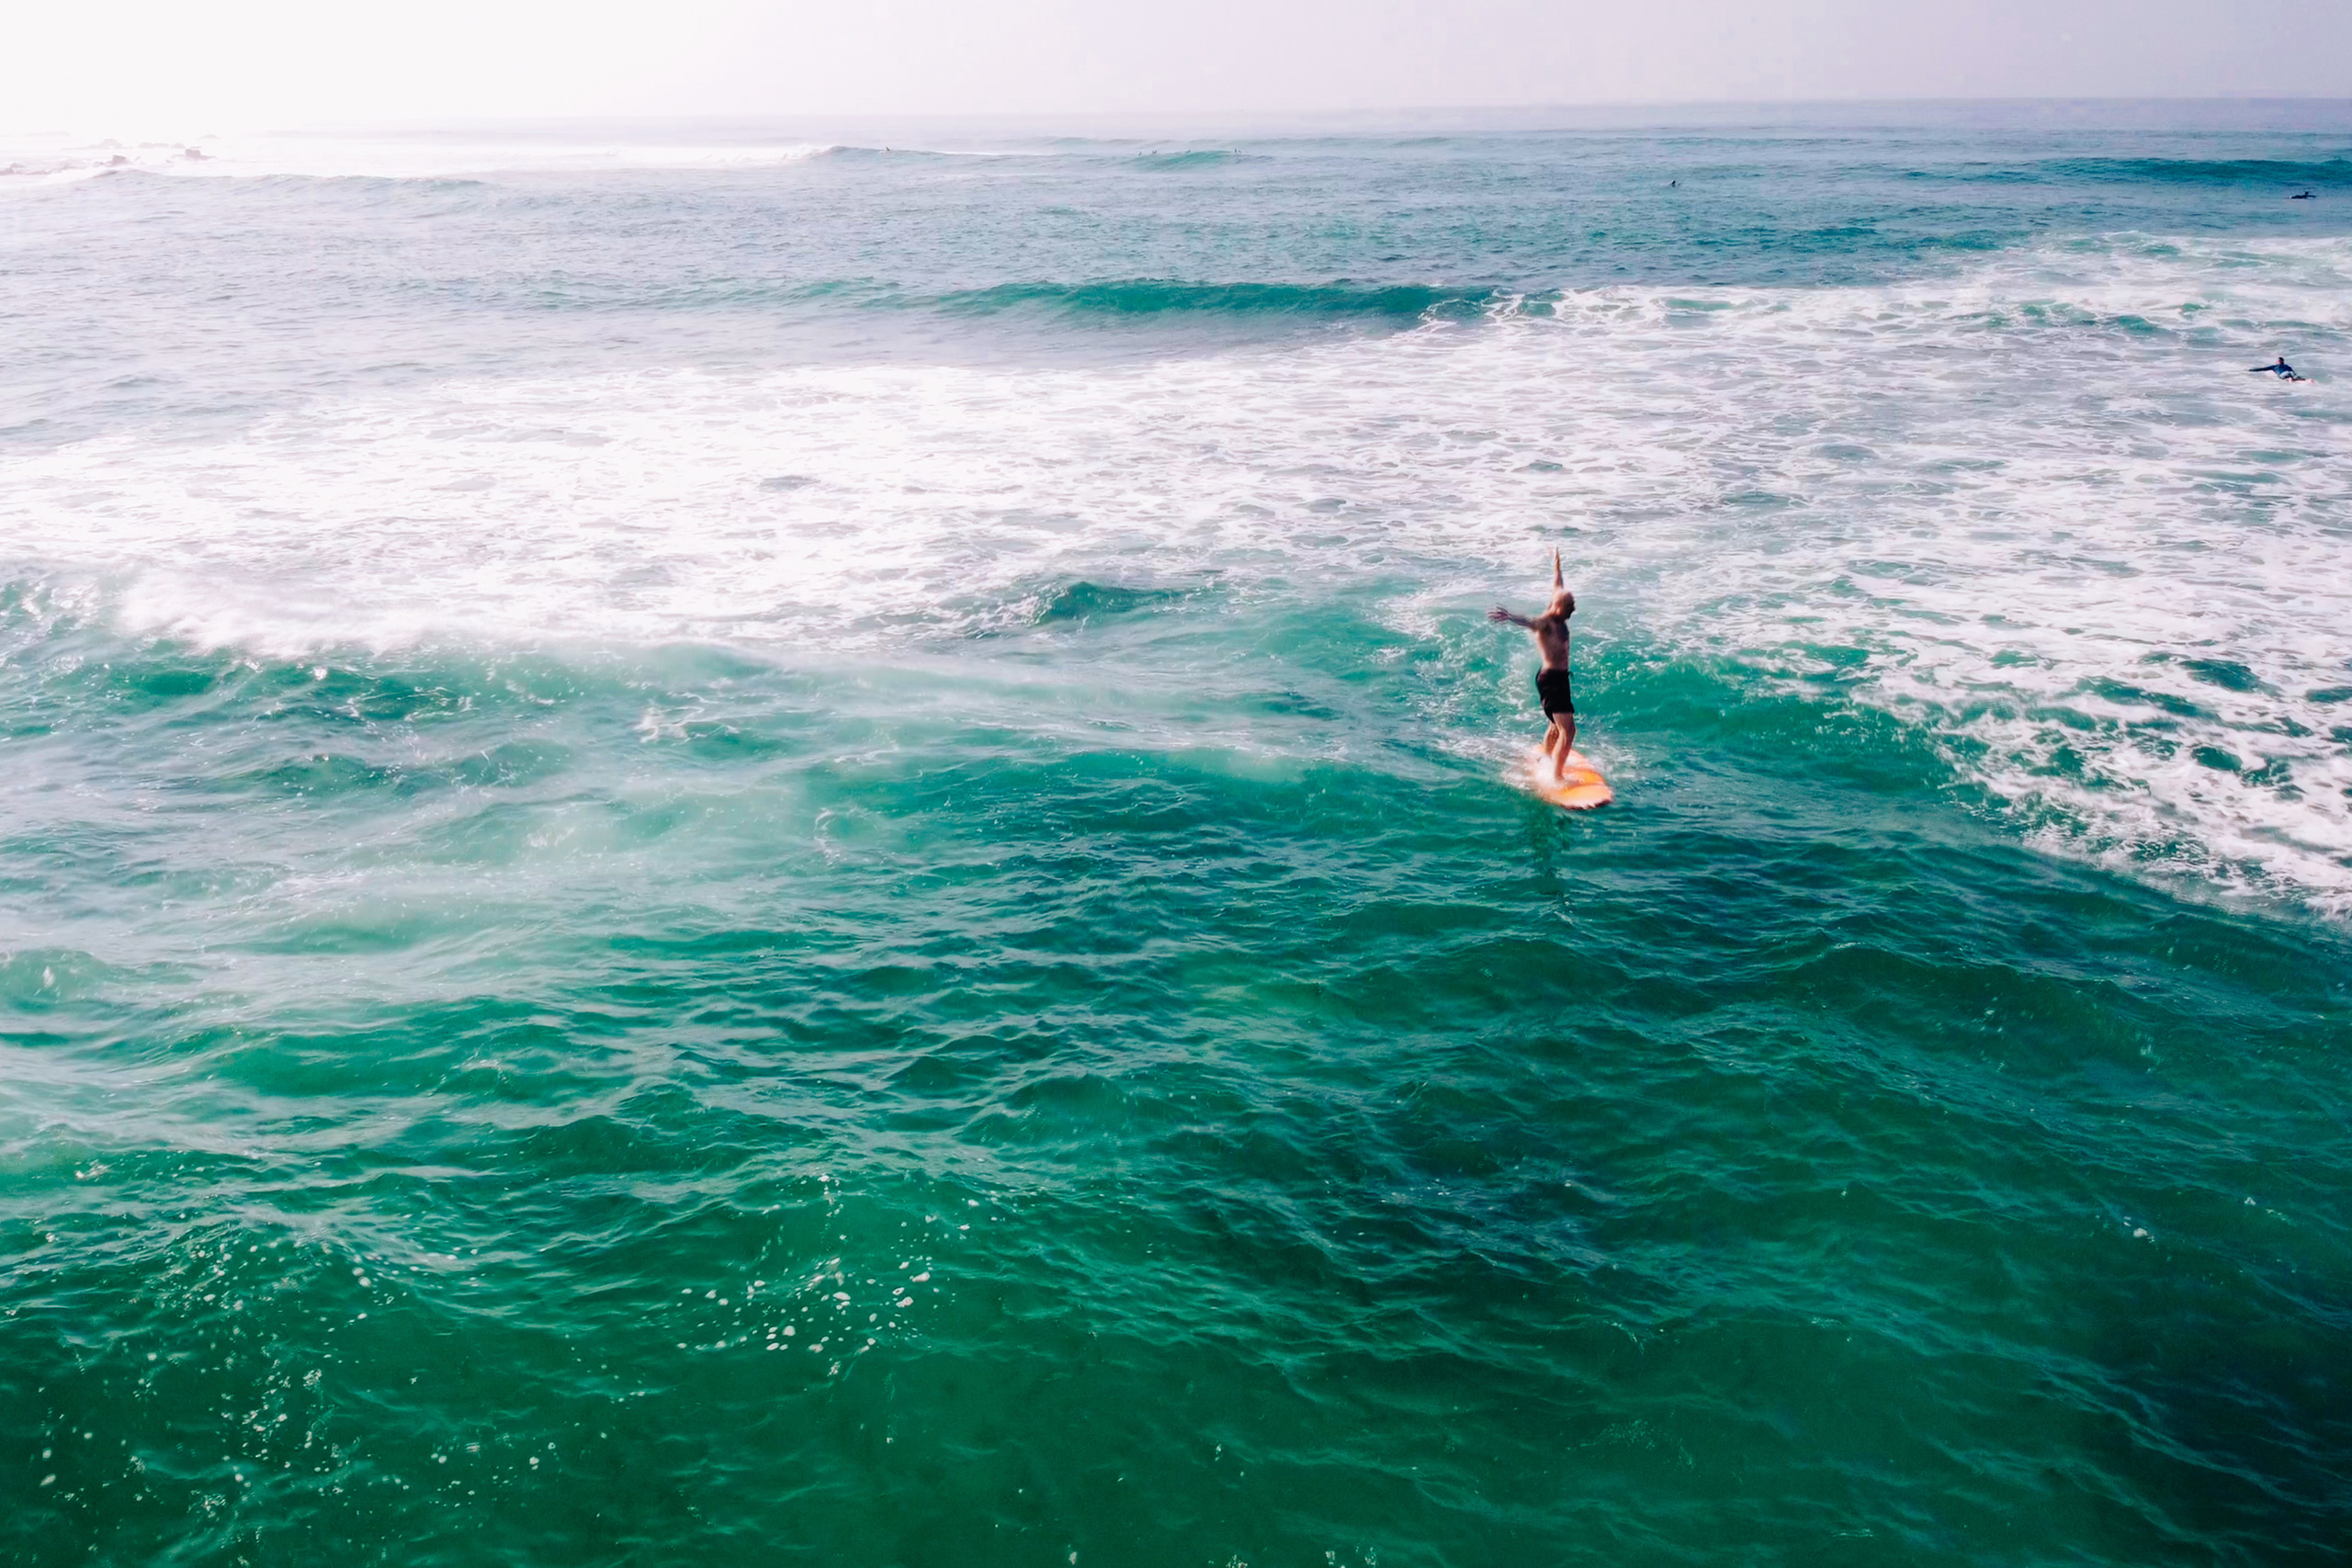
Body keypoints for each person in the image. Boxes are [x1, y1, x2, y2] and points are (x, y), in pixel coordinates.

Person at [1490, 551, 1579, 782]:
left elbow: (1558, 585)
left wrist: (1557, 564)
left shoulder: (1558, 611)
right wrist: (1510, 617)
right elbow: (1528, 621)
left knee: (1556, 725)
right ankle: (1557, 777)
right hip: (1551, 680)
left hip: (1561, 679)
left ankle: (1548, 758)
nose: (1573, 611)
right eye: (1569, 607)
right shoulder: (1546, 623)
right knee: (1569, 731)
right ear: (1558, 606)